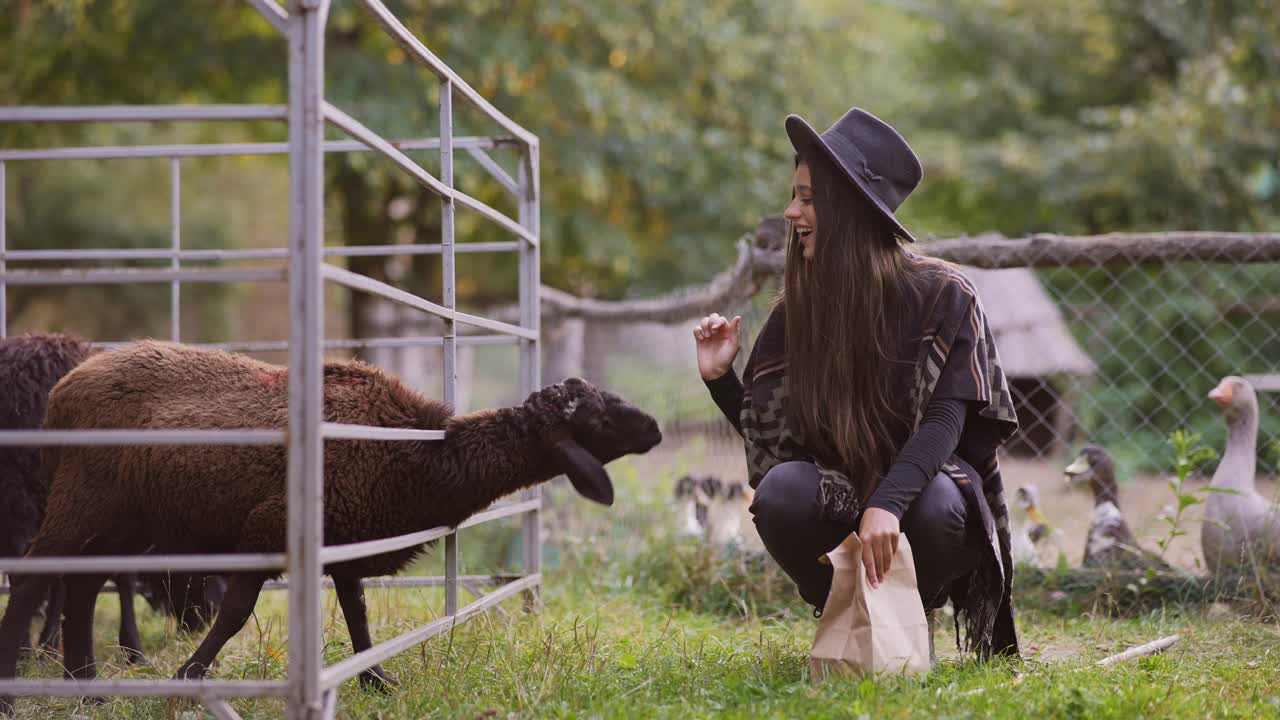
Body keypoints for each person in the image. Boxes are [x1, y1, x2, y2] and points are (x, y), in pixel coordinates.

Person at [693, 108, 1021, 658]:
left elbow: (946, 421)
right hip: (838, 489)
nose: (790, 210)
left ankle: (911, 616)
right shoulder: (797, 312)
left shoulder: (945, 295)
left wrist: (887, 504)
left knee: (938, 503)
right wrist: (721, 379)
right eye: (793, 195)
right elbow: (775, 444)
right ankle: (846, 612)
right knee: (781, 495)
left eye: (806, 197)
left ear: (846, 209)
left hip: (924, 491)